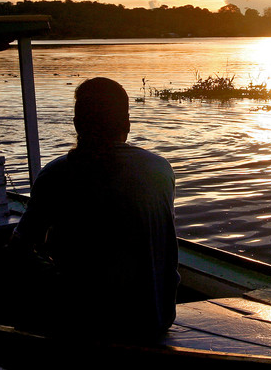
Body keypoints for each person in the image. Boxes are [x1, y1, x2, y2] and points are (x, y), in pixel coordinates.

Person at [12, 77, 179, 341]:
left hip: (92, 324)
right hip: (157, 317)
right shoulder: (160, 169)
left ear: (77, 123)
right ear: (126, 124)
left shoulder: (57, 175)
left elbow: (19, 249)